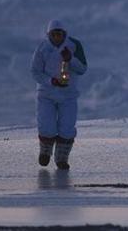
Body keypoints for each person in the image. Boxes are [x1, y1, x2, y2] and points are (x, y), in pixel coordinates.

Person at [30, 20, 87, 170]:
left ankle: (61, 158)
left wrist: (71, 59)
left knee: (67, 128)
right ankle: (45, 152)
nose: (56, 37)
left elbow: (82, 69)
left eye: (59, 34)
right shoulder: (42, 48)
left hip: (68, 94)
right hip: (46, 94)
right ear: (48, 35)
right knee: (46, 126)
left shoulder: (74, 46)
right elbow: (35, 72)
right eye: (53, 34)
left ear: (64, 34)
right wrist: (51, 81)